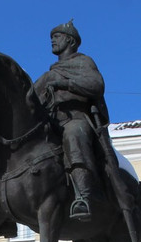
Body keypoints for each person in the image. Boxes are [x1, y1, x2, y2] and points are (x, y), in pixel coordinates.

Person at [32, 20, 110, 222]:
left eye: (56, 37)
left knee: (74, 133)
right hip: (51, 122)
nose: (52, 41)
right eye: (51, 38)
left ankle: (84, 195)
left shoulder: (83, 62)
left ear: (70, 40)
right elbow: (30, 99)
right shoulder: (49, 73)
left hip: (76, 118)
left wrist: (65, 84)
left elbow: (96, 84)